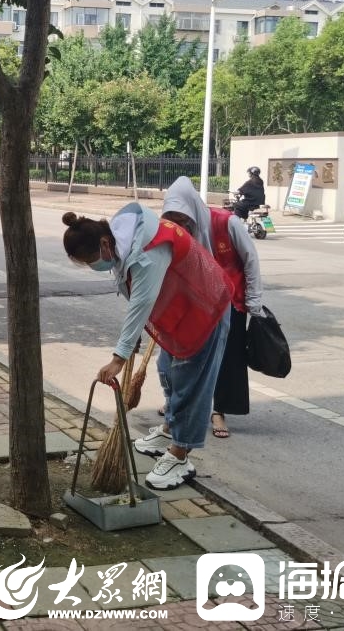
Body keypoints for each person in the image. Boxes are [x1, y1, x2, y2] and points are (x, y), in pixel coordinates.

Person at [61, 205, 231, 490]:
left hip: (204, 308)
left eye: (91, 260)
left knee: (191, 382)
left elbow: (141, 300)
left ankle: (181, 454)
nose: (94, 267)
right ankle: (169, 430)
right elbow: (134, 293)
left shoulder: (147, 252)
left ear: (103, 243)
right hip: (179, 308)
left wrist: (119, 358)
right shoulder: (121, 232)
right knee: (168, 371)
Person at [161, 176, 264, 439]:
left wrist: (253, 301)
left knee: (226, 359)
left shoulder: (225, 222)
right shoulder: (174, 231)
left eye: (182, 217)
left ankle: (218, 410)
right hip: (195, 304)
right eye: (171, 217)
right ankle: (177, 404)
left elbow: (250, 259)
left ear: (192, 208)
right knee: (181, 357)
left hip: (230, 301)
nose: (179, 224)